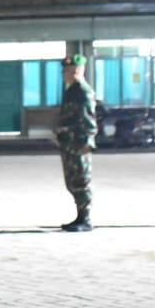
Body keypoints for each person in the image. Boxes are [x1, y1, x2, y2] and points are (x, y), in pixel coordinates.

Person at [55, 53, 98, 232]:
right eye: (64, 71)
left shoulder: (83, 91)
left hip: (79, 144)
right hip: (69, 143)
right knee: (72, 181)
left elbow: (89, 121)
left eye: (69, 71)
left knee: (81, 180)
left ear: (78, 71)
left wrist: (86, 143)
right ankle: (79, 216)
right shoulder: (71, 91)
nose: (65, 74)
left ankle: (85, 219)